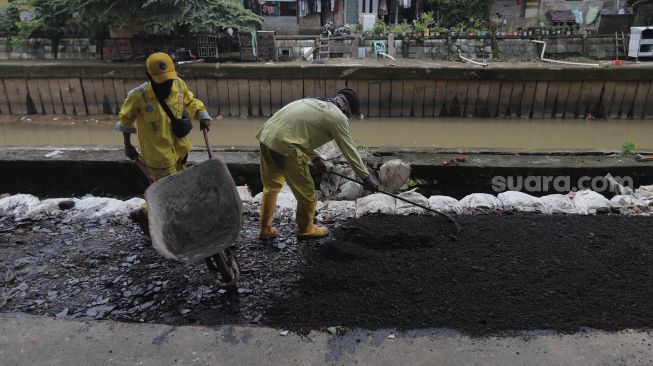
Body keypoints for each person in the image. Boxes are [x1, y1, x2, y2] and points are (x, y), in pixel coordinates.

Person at [256, 89, 379, 240]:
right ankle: (306, 229)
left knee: (271, 187)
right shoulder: (338, 118)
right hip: (286, 147)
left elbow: (299, 133)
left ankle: (265, 229)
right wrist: (366, 178)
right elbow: (349, 151)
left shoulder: (312, 101)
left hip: (266, 138)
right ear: (350, 111)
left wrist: (315, 158)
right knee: (307, 193)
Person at [115, 52, 212, 231]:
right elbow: (125, 120)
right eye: (162, 82)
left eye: (168, 80)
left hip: (179, 149)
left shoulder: (178, 84)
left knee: (177, 185)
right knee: (168, 191)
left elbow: (190, 101)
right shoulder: (138, 96)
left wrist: (201, 114)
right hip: (158, 155)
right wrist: (128, 145)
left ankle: (145, 213)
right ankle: (168, 224)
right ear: (149, 76)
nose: (167, 85)